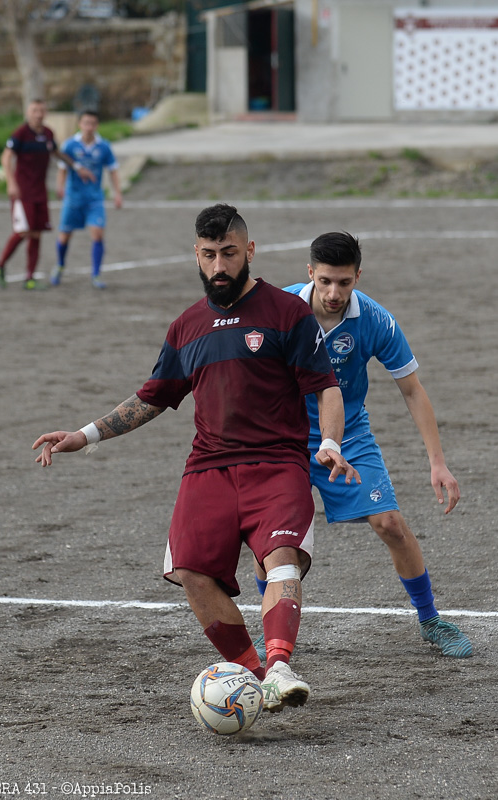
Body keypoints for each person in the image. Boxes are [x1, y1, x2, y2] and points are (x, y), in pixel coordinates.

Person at [32, 204, 360, 713]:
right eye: (209, 255)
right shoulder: (187, 325)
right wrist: (86, 435)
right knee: (190, 572)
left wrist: (331, 445)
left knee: (281, 561)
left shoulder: (286, 312)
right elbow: (153, 396)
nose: (219, 266)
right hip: (208, 467)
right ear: (197, 255)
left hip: (277, 464)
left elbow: (326, 387)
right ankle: (256, 678)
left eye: (229, 253)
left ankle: (279, 664)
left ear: (249, 251)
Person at [254, 231, 472, 659]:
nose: (334, 293)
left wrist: (438, 463)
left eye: (345, 283)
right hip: (286, 440)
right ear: (310, 273)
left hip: (349, 435)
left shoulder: (375, 319)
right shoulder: (278, 311)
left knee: (390, 523)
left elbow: (412, 389)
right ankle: (271, 631)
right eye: (326, 282)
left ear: (358, 276)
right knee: (275, 545)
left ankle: (430, 620)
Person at [0, 99, 95, 290]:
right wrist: (11, 183)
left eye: (41, 110)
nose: (38, 114)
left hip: (40, 191)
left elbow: (57, 153)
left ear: (45, 112)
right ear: (28, 112)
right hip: (22, 192)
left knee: (37, 233)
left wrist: (78, 167)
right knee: (23, 231)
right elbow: (6, 158)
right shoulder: (20, 134)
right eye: (34, 110)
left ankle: (29, 277)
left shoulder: (48, 133)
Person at [50, 109, 123, 290]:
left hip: (94, 199)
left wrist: (117, 193)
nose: (89, 127)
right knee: (65, 235)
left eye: (92, 123)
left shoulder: (104, 146)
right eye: (85, 123)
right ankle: (60, 265)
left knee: (97, 234)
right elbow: (62, 168)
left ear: (96, 125)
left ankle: (96, 274)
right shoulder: (69, 146)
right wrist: (60, 187)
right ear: (79, 124)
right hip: (73, 197)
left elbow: (113, 170)